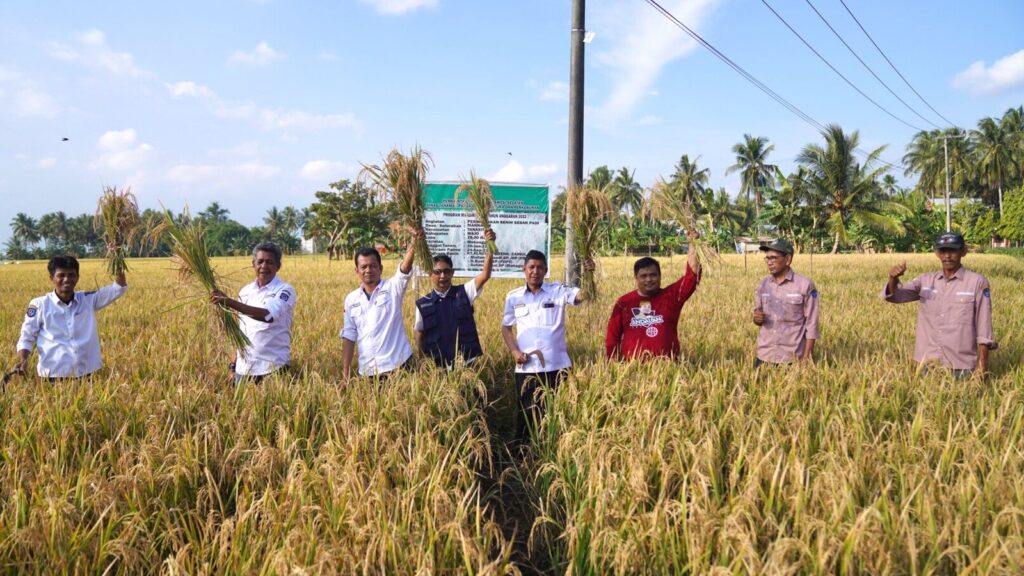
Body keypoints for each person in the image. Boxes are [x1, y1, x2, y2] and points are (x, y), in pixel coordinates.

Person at [501, 250, 591, 443]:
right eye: (531, 267)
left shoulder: (558, 291)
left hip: (557, 367)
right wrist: (514, 351)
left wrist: (589, 275)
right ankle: (523, 455)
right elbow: (506, 328)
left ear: (545, 270)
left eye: (540, 267)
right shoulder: (513, 297)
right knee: (526, 415)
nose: (535, 271)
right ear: (524, 269)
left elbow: (583, 296)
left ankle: (555, 450)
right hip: (527, 367)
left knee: (557, 412)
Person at [882, 231, 995, 379]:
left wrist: (982, 367)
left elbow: (984, 327)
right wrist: (893, 279)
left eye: (953, 250)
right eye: (943, 251)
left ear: (963, 251)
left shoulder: (977, 283)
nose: (947, 256)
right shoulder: (925, 281)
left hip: (961, 368)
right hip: (926, 365)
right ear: (937, 253)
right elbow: (895, 296)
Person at [14, 255, 127, 379]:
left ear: (77, 278)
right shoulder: (39, 305)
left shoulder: (88, 300)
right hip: (52, 378)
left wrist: (116, 256)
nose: (67, 279)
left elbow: (118, 287)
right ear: (51, 278)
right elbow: (27, 336)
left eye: (71, 275)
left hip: (89, 375)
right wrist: (23, 360)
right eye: (61, 275)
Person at [606, 230, 702, 360]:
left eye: (653, 275)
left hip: (668, 369)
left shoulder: (672, 296)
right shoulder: (624, 302)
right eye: (643, 276)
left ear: (660, 276)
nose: (649, 279)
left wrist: (693, 243)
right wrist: (611, 365)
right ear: (636, 278)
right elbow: (612, 337)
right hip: (632, 371)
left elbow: (692, 276)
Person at [210, 241, 296, 384]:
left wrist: (228, 302)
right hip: (244, 370)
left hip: (273, 368)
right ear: (253, 264)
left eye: (269, 262)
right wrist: (233, 366)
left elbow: (268, 315)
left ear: (278, 266)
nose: (264, 266)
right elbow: (242, 332)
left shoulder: (285, 290)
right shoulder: (246, 291)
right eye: (260, 261)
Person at [341, 230, 421, 380]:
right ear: (356, 270)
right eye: (363, 267)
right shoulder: (351, 299)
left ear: (380, 268)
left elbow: (405, 268)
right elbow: (349, 336)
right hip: (368, 372)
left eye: (373, 266)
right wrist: (345, 374)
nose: (368, 270)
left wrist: (414, 241)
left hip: (400, 366)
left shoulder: (392, 288)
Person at [414, 229, 497, 369]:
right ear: (430, 274)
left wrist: (490, 244)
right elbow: (419, 333)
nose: (442, 276)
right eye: (437, 272)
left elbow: (485, 275)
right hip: (437, 367)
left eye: (446, 271)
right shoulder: (423, 303)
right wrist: (422, 361)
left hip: (466, 364)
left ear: (452, 273)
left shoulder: (464, 292)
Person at [751, 238, 819, 367]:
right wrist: (757, 318)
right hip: (765, 356)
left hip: (792, 359)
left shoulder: (805, 285)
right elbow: (757, 317)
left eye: (774, 258)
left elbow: (812, 325)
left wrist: (806, 359)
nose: (769, 263)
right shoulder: (763, 285)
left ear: (788, 259)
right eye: (767, 259)